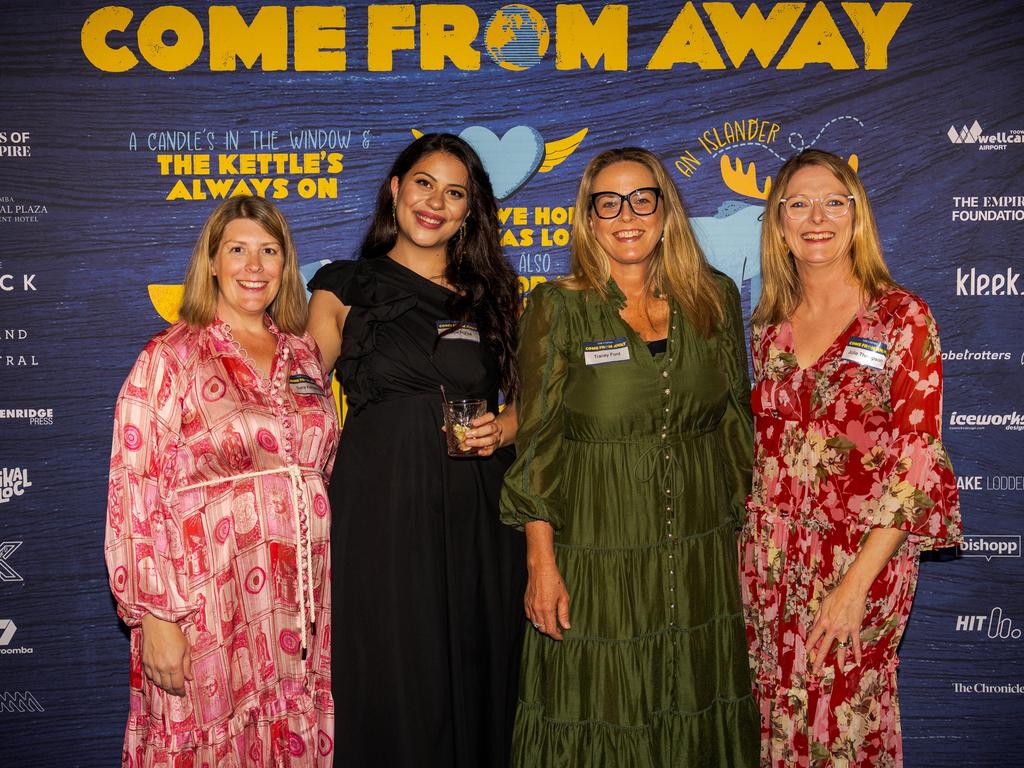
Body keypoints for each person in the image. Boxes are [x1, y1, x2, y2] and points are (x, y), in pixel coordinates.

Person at [500, 147, 759, 766]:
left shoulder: (715, 299)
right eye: (607, 202)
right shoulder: (556, 307)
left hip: (698, 551)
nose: (627, 215)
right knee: (604, 708)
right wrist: (541, 562)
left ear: (666, 211)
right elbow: (537, 440)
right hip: (596, 552)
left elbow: (734, 425)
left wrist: (742, 538)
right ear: (588, 218)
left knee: (693, 698)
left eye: (642, 198)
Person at [305, 133, 525, 767]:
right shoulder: (341, 284)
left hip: (476, 505)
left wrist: (501, 431)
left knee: (475, 662)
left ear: (469, 210)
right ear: (396, 189)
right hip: (380, 503)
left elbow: (532, 404)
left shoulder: (493, 296)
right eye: (424, 183)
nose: (436, 202)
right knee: (392, 661)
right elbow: (303, 379)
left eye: (455, 193)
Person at [740, 149, 963, 766]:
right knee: (776, 722)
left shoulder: (902, 317)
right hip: (771, 560)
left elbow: (917, 461)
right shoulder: (768, 324)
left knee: (843, 724)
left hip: (861, 559)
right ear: (779, 224)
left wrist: (854, 586)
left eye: (834, 201)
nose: (818, 217)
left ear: (857, 216)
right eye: (799, 204)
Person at [105, 196, 338, 766]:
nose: (254, 267)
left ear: (286, 266)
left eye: (269, 252)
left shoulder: (304, 356)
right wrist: (155, 616)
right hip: (206, 604)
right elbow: (133, 489)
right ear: (211, 263)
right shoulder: (171, 357)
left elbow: (317, 470)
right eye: (237, 250)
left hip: (298, 606)